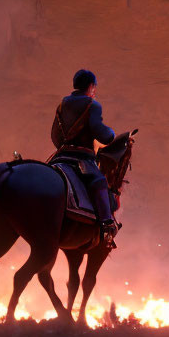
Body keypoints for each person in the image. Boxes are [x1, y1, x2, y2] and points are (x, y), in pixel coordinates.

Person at [52, 69, 117, 245]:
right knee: (100, 182)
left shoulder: (62, 104)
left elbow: (54, 136)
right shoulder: (92, 105)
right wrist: (111, 134)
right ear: (90, 86)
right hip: (82, 158)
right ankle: (106, 225)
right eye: (94, 87)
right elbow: (101, 133)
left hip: (61, 157)